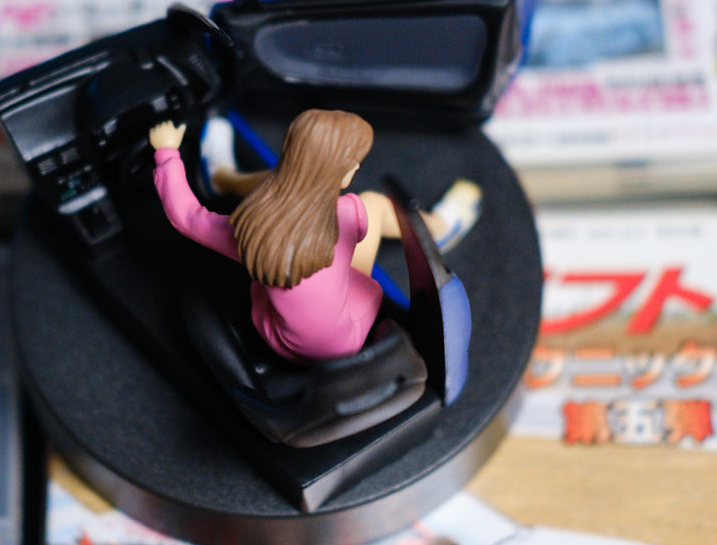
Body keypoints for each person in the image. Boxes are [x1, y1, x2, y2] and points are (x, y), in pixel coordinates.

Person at [148, 110, 479, 365]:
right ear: (343, 173)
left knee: (280, 181)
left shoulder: (248, 232)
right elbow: (354, 233)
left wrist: (166, 152)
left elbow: (186, 218)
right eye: (354, 164)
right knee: (374, 204)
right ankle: (438, 228)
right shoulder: (348, 212)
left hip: (282, 342)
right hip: (344, 340)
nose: (356, 169)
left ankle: (222, 178)